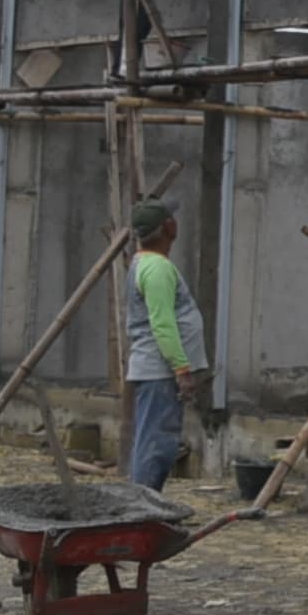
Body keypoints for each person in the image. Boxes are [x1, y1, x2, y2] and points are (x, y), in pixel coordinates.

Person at [121, 197, 203, 491]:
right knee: (156, 446)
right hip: (159, 371)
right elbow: (162, 323)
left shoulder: (146, 264)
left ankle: (143, 506)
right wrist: (181, 368)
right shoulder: (156, 269)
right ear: (169, 227)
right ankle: (142, 508)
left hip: (155, 370)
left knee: (154, 442)